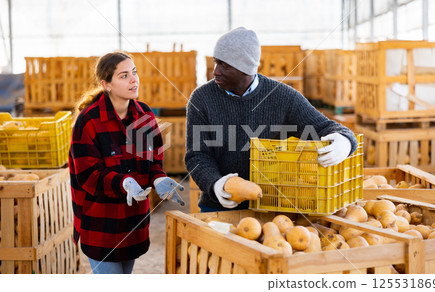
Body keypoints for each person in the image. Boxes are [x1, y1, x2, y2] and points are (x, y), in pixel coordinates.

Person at [185, 27, 357, 212]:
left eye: (224, 65)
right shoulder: (201, 99)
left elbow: (325, 127)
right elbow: (197, 155)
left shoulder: (283, 97)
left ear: (246, 67)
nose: (215, 71)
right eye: (215, 62)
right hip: (219, 204)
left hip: (272, 207)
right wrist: (215, 184)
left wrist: (345, 141)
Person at [69, 51, 184, 274]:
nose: (133, 79)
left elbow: (154, 161)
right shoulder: (89, 121)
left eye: (134, 72)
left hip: (134, 224)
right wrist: (123, 183)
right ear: (106, 84)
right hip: (102, 225)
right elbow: (87, 175)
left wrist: (159, 177)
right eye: (123, 75)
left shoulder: (145, 116)